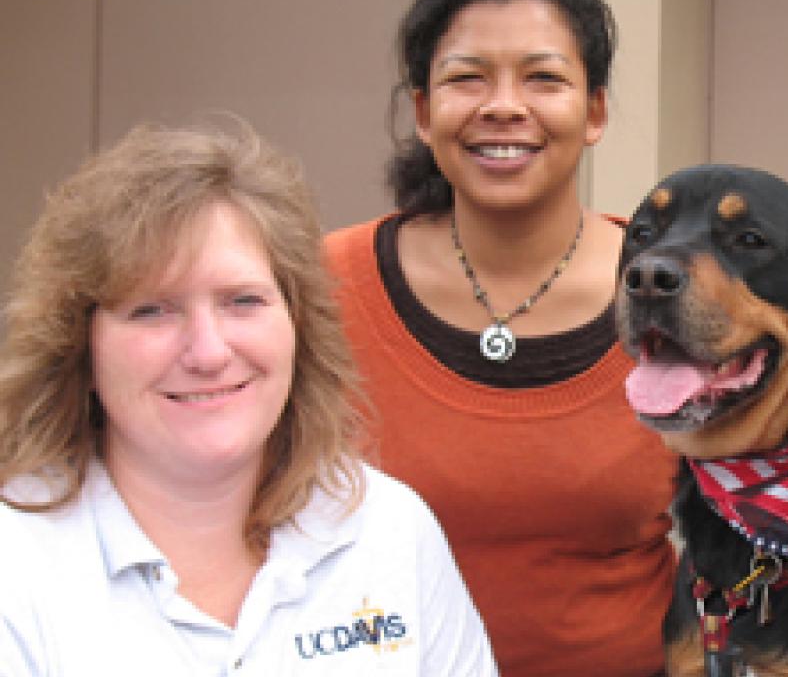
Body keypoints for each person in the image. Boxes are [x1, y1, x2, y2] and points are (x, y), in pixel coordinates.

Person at [0, 122, 498, 675]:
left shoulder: (390, 533)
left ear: (297, 326)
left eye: (242, 301)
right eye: (153, 310)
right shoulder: (17, 564)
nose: (208, 353)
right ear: (80, 348)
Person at [323, 0, 677, 675]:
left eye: (543, 77)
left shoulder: (673, 295)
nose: (504, 106)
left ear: (596, 110)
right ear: (423, 112)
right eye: (467, 78)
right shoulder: (321, 287)